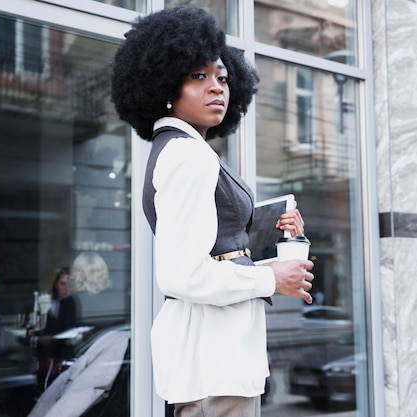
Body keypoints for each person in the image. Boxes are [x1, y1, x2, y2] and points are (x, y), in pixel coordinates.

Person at [111, 7, 314, 417]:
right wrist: (271, 277)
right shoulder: (189, 156)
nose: (217, 87)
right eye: (198, 76)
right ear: (167, 85)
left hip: (216, 357)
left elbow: (217, 245)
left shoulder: (180, 150)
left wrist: (271, 230)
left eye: (222, 77)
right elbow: (181, 274)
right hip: (214, 360)